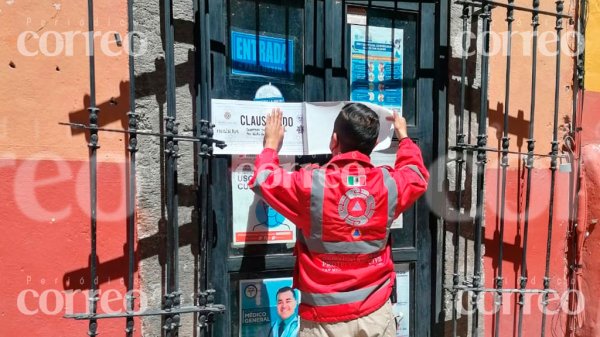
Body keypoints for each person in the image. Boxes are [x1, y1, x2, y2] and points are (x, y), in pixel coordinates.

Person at [249, 103, 429, 337]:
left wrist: (271, 145)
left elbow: (263, 179)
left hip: (323, 321)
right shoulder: (388, 185)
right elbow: (415, 174)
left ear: (334, 140)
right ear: (374, 145)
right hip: (375, 313)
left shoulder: (310, 185)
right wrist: (404, 138)